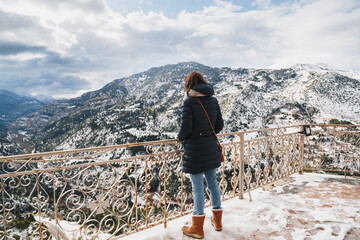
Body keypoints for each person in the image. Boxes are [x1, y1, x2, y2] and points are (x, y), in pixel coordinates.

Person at [178, 71, 224, 239]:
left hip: (195, 151)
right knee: (213, 184)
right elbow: (219, 125)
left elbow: (186, 128)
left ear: (189, 84)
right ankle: (217, 221)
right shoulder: (213, 100)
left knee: (197, 189)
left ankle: (197, 228)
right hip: (210, 148)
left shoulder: (188, 102)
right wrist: (206, 133)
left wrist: (180, 138)